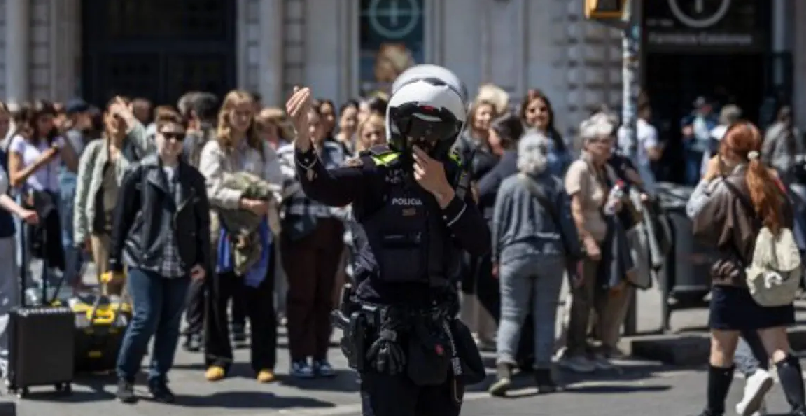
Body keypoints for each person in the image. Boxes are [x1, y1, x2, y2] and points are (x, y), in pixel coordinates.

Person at [286, 65, 489, 416]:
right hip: (384, 332)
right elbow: (323, 187)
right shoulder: (375, 169)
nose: (423, 141)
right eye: (415, 130)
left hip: (435, 328)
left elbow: (481, 243)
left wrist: (443, 193)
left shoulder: (455, 177)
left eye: (433, 132)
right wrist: (304, 139)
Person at [687, 122, 806, 416]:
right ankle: (799, 407)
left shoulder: (725, 188)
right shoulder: (773, 185)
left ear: (727, 151)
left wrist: (707, 180)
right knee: (779, 345)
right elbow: (791, 218)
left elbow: (700, 225)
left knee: (722, 349)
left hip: (732, 278)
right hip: (769, 277)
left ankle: (713, 410)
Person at [107, 108, 210, 404]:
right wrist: (115, 261)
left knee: (170, 324)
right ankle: (126, 375)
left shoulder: (192, 178)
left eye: (179, 137)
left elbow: (201, 223)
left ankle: (158, 379)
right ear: (156, 137)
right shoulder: (140, 172)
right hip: (144, 256)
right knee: (145, 317)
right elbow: (122, 220)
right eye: (168, 136)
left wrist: (203, 261)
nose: (173, 142)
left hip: (180, 261)